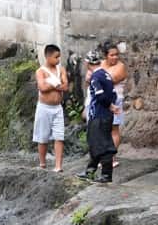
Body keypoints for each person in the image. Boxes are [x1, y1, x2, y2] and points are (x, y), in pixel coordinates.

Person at [77, 50, 119, 184]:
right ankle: (90, 171)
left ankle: (106, 174)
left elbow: (100, 95)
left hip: (99, 115)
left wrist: (109, 106)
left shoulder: (96, 77)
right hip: (105, 115)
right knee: (95, 143)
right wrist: (111, 105)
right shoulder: (106, 75)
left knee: (103, 144)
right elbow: (113, 94)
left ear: (88, 63)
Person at [33, 44, 69, 172]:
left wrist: (51, 83)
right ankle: (42, 163)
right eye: (56, 57)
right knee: (42, 137)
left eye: (59, 57)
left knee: (59, 136)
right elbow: (42, 88)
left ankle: (58, 166)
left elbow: (65, 86)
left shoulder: (61, 69)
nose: (58, 60)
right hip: (44, 108)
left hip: (57, 108)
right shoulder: (40, 71)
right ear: (48, 57)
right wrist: (56, 84)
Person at [101, 44, 129, 168]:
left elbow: (109, 80)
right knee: (103, 129)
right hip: (102, 100)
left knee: (114, 129)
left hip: (116, 99)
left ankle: (111, 157)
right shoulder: (102, 64)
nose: (115, 57)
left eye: (117, 54)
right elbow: (90, 77)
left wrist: (97, 77)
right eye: (112, 55)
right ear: (106, 56)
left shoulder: (121, 66)